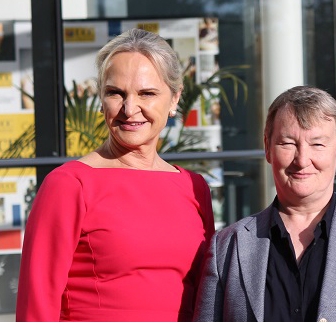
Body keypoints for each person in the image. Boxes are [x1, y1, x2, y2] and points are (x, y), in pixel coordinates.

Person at [17, 28, 215, 321]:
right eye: (115, 93)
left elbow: (206, 293)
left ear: (174, 100)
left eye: (146, 93)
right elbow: (37, 303)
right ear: (101, 98)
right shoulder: (70, 185)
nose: (129, 108)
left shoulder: (193, 186)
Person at [195, 86, 336, 321]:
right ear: (267, 148)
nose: (302, 160)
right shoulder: (227, 247)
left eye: (317, 144)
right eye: (288, 143)